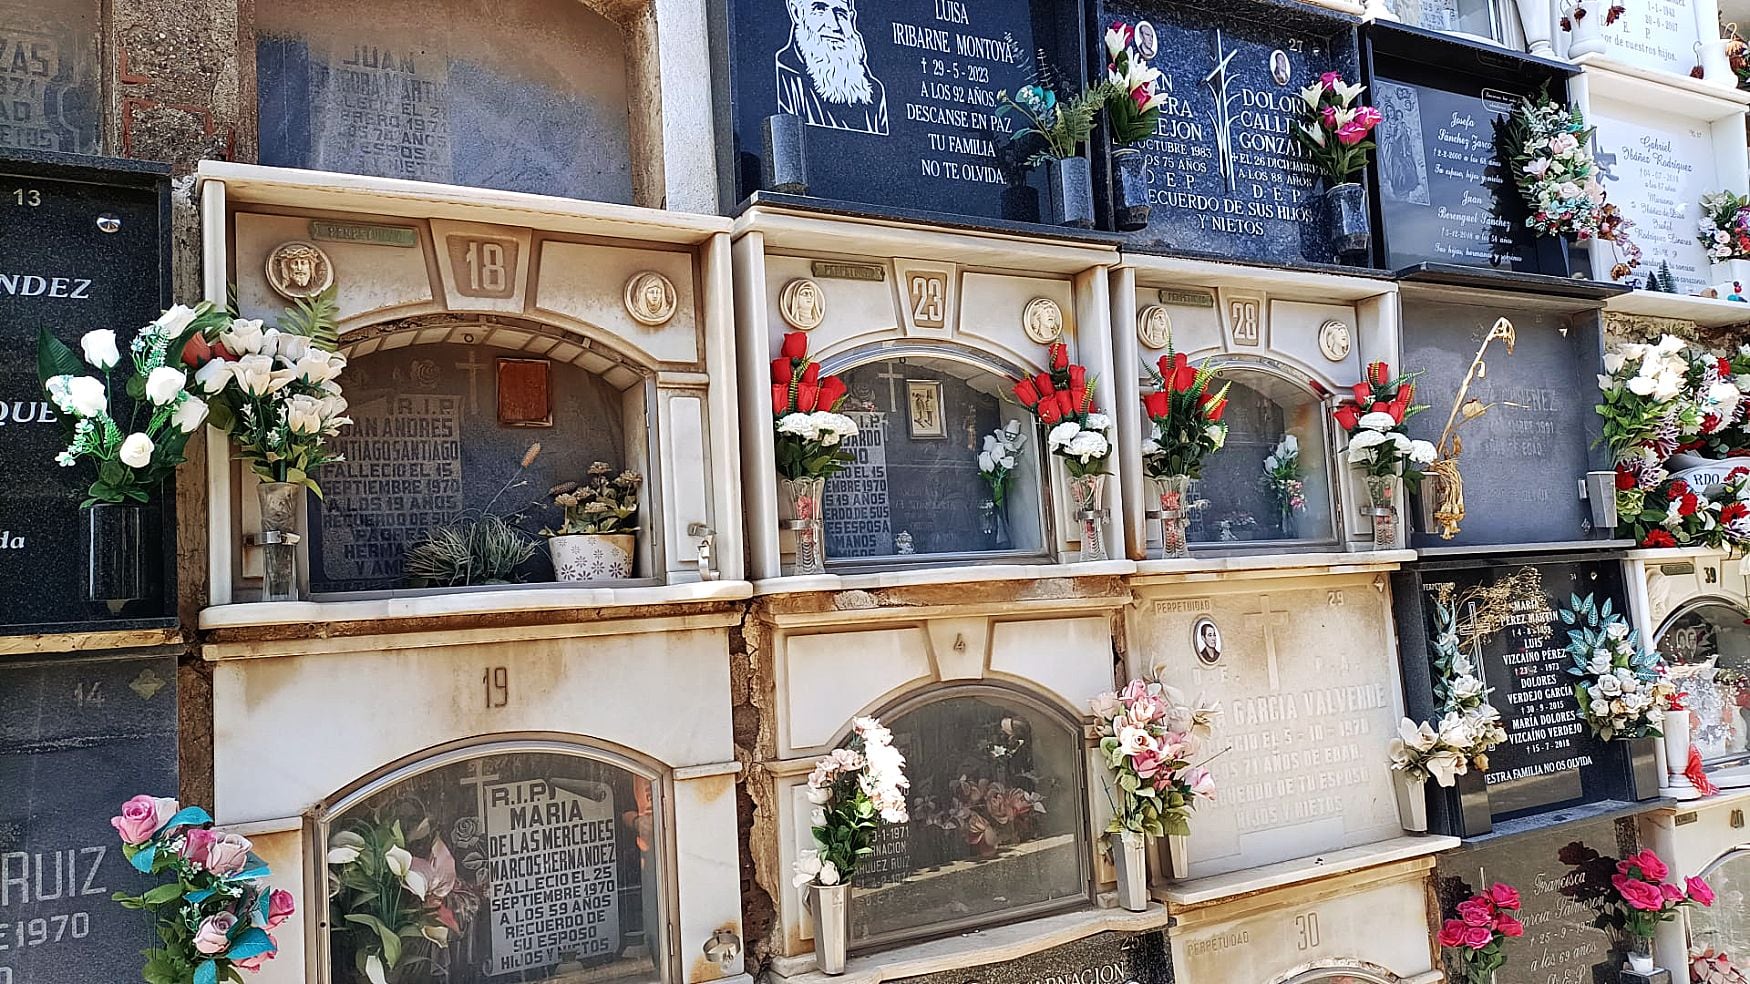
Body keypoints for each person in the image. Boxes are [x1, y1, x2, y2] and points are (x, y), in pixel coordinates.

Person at [775, 0, 889, 135]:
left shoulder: (872, 91)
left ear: (851, 18)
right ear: (796, 12)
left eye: (841, 13)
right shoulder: (783, 77)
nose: (834, 25)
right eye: (819, 9)